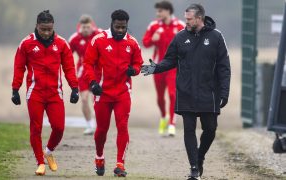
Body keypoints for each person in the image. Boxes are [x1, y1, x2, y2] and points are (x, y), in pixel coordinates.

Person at [141, 4, 231, 180]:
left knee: (211, 129)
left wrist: (224, 92)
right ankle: (194, 169)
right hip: (186, 91)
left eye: (189, 19)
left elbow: (224, 68)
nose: (186, 22)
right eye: (185, 18)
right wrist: (155, 68)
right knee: (189, 129)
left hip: (209, 93)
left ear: (199, 18)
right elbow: (169, 60)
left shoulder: (216, 37)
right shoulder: (180, 37)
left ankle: (200, 156)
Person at [11, 10, 79, 176]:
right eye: (43, 29)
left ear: (53, 26)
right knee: (36, 128)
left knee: (59, 127)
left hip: (55, 93)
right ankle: (40, 162)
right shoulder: (26, 44)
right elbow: (19, 67)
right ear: (37, 26)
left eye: (49, 29)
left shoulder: (62, 44)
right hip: (35, 93)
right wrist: (15, 89)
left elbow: (69, 68)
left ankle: (47, 152)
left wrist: (74, 88)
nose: (47, 33)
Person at [83, 9, 143, 177]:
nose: (120, 30)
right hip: (102, 92)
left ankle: (120, 165)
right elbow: (88, 63)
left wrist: (134, 70)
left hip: (123, 92)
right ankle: (99, 157)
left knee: (122, 126)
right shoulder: (99, 40)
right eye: (117, 27)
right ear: (112, 23)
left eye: (123, 27)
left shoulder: (132, 43)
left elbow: (139, 63)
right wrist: (93, 82)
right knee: (102, 129)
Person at [142, 1, 185, 136]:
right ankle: (163, 117)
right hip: (157, 67)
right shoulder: (154, 26)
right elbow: (145, 42)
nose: (157, 14)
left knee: (172, 94)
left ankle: (172, 124)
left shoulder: (180, 26)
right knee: (160, 97)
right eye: (157, 11)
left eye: (160, 11)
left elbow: (188, 44)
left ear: (168, 11)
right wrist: (153, 39)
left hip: (173, 67)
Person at [68, 15, 101, 135]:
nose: (86, 29)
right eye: (84, 27)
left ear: (92, 26)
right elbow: (66, 55)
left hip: (98, 71)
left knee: (97, 100)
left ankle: (100, 125)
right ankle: (90, 125)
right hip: (83, 71)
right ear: (80, 27)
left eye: (88, 27)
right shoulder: (74, 39)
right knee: (84, 98)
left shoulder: (99, 35)